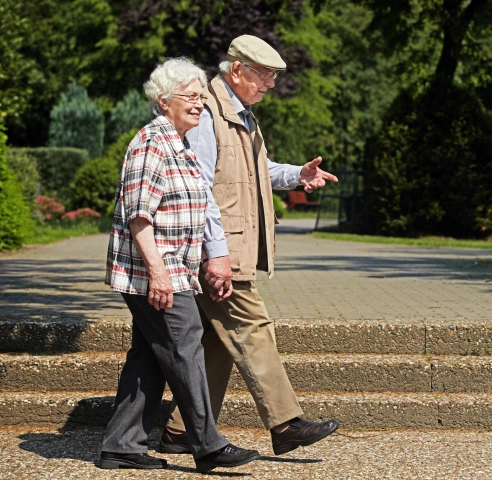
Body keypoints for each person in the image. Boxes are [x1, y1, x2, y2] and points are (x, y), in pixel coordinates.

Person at [159, 36, 340, 457]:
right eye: (265, 75)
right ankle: (286, 422)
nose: (271, 84)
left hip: (226, 248)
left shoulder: (240, 114)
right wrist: (215, 254)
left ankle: (181, 430)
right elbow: (198, 188)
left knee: (220, 342)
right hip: (218, 252)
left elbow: (257, 169)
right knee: (252, 326)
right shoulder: (207, 114)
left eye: (274, 76)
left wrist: (297, 174)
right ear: (237, 70)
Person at [100, 57, 260, 473]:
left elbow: (195, 206)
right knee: (185, 344)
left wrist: (210, 256)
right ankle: (207, 444)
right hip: (155, 272)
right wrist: (158, 272)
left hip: (175, 269)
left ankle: (122, 444)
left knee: (151, 356)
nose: (199, 103)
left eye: (202, 96)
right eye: (190, 96)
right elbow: (139, 215)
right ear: (163, 100)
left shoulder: (182, 144)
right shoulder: (152, 142)